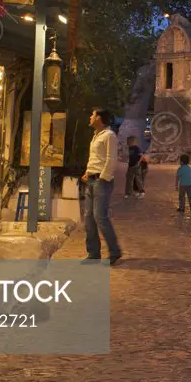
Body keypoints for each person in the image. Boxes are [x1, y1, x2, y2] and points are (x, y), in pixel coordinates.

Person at [82, 108, 122, 265]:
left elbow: (111, 159)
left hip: (101, 181)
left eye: (92, 115)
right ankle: (93, 254)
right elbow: (94, 158)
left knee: (100, 217)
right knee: (88, 219)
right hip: (91, 180)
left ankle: (114, 251)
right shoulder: (95, 136)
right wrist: (87, 172)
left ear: (99, 118)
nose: (90, 117)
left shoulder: (109, 135)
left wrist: (103, 178)